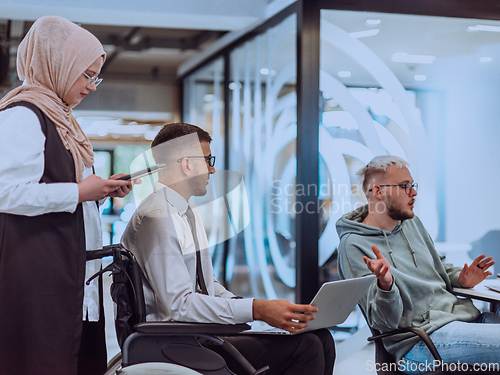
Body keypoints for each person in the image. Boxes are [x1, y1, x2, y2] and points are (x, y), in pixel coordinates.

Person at [121, 122, 335, 375]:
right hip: (175, 342)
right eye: (208, 159)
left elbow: (207, 285)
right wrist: (256, 310)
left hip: (200, 334)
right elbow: (180, 305)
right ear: (187, 164)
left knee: (322, 338)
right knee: (306, 346)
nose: (212, 169)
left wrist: (258, 309)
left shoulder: (183, 212)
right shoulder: (158, 217)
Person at [0, 16, 134, 375]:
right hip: (38, 278)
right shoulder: (24, 115)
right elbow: (6, 193)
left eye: (96, 76)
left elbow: (57, 187)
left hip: (67, 275)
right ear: (55, 64)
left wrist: (98, 192)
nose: (92, 86)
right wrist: (79, 192)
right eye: (86, 74)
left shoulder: (60, 118)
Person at [336, 155, 500, 374]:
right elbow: (384, 322)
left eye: (412, 185)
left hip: (463, 318)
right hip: (420, 342)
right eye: (405, 186)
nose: (413, 192)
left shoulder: (411, 223)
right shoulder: (354, 246)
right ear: (378, 191)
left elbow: (438, 267)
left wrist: (461, 277)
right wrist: (386, 285)